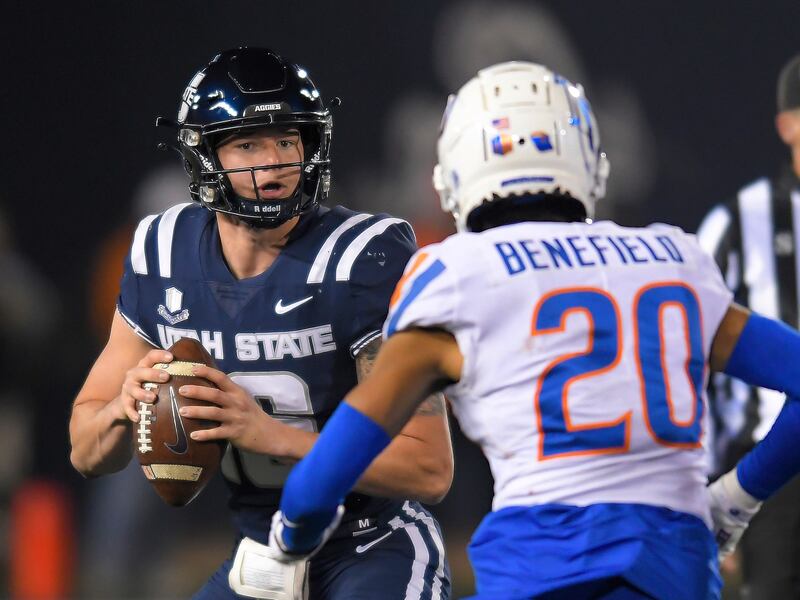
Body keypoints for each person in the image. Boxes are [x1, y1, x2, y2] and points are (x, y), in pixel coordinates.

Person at [267, 61, 800, 600]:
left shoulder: (458, 275)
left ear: (454, 169)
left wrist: (291, 537)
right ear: (590, 160)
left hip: (541, 574)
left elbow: (324, 475)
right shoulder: (672, 257)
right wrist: (737, 496)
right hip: (676, 575)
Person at [68, 47, 453, 600]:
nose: (273, 162)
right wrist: (123, 409)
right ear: (204, 156)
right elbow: (84, 452)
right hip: (261, 551)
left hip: (371, 543)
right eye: (248, 143)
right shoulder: (164, 250)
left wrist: (268, 434)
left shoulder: (357, 259)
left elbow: (428, 467)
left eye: (287, 140)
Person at [697, 53, 800, 598]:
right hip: (772, 468)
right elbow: (685, 358)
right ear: (788, 124)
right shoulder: (737, 221)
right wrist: (710, 489)